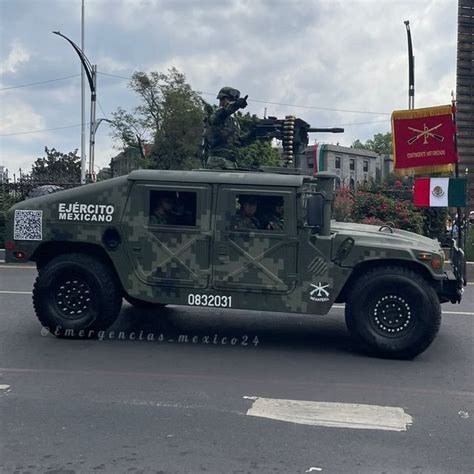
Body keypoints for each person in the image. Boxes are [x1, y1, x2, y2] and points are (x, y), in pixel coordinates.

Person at [204, 87, 256, 169]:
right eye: (230, 100)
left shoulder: (233, 121)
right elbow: (224, 112)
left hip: (231, 162)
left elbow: (238, 142)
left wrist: (254, 134)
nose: (232, 102)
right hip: (217, 162)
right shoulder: (216, 115)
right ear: (222, 100)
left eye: (234, 101)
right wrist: (236, 105)